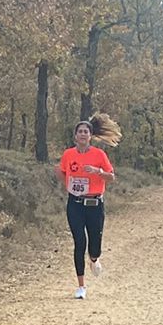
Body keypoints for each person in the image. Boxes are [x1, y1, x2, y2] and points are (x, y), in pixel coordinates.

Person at [58, 113, 120, 299]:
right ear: (75, 136)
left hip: (94, 204)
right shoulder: (68, 154)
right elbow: (61, 172)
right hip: (75, 204)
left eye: (86, 132)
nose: (83, 135)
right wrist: (69, 186)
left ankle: (94, 258)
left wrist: (97, 172)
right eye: (80, 132)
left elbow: (111, 177)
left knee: (94, 245)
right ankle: (81, 286)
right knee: (79, 242)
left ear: (90, 136)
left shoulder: (99, 154)